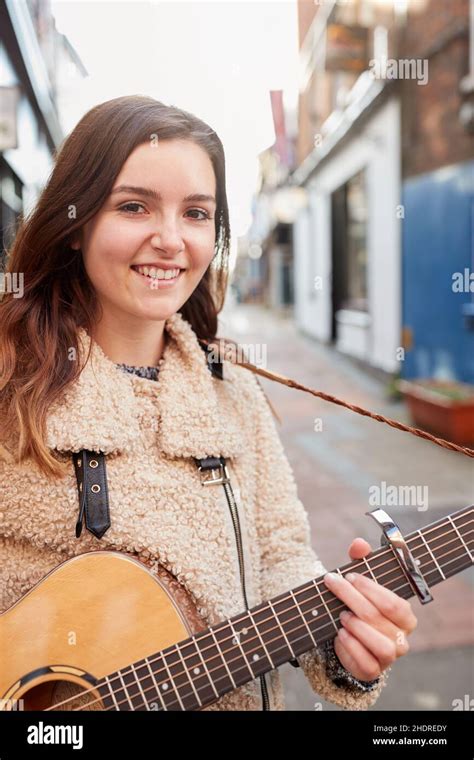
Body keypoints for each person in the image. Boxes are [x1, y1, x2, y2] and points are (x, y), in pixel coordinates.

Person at [0, 95, 417, 711]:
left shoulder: (233, 389)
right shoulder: (12, 381)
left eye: (196, 213)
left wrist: (342, 650)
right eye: (134, 205)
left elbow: (280, 551)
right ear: (77, 221)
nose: (170, 240)